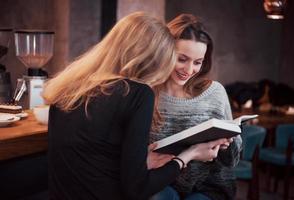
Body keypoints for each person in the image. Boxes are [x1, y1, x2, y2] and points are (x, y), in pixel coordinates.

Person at [43, 12, 229, 200]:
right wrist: (189, 155)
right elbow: (138, 189)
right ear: (150, 57)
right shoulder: (137, 93)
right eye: (175, 58)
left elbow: (93, 160)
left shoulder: (67, 86)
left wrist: (140, 160)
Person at [150, 14, 242, 200]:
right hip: (160, 181)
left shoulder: (214, 92)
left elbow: (233, 160)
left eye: (197, 62)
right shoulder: (147, 92)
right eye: (182, 59)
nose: (189, 70)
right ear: (164, 51)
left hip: (210, 186)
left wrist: (226, 144)